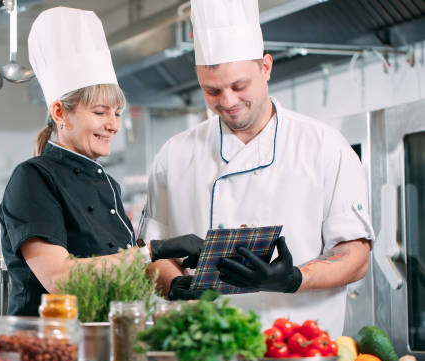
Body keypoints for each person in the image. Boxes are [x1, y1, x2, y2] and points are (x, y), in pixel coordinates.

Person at [139, 0, 374, 337]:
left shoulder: (324, 146)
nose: (228, 101)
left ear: (266, 67)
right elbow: (151, 254)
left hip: (296, 352)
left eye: (239, 86)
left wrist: (294, 278)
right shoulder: (172, 157)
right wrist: (176, 284)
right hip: (204, 353)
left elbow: (355, 254)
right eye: (213, 90)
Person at [0, 7, 202, 316]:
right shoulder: (33, 178)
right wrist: (152, 251)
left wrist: (175, 285)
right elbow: (60, 278)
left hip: (102, 338)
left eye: (117, 113)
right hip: (47, 346)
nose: (113, 125)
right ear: (60, 113)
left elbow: (124, 262)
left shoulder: (108, 184)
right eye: (99, 112)